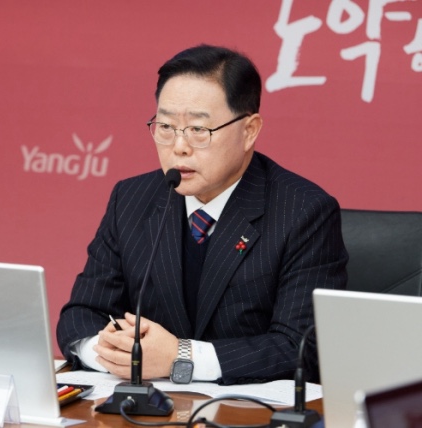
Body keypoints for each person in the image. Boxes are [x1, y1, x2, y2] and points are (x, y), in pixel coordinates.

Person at [56, 44, 348, 385]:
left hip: (243, 408)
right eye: (166, 126)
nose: (179, 146)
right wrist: (112, 355)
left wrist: (181, 357)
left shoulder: (303, 212)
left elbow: (299, 347)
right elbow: (81, 314)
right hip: (147, 404)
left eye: (198, 130)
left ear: (249, 130)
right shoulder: (132, 199)